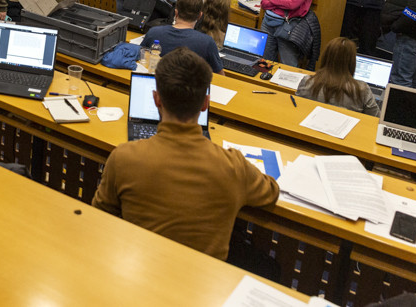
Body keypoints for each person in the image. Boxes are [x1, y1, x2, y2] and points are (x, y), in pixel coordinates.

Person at [92, 47, 278, 261]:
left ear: (156, 99)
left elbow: (99, 216)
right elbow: (271, 192)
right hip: (203, 279)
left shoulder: (123, 158)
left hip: (138, 274)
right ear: (205, 103)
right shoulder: (234, 166)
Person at [141, 0, 224, 73]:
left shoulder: (154, 32)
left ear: (176, 13)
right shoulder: (207, 42)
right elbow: (220, 76)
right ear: (200, 16)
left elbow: (140, 58)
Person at [296, 38, 380, 116]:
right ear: (352, 62)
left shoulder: (307, 81)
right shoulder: (362, 90)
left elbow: (296, 107)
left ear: (326, 57)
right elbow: (376, 119)